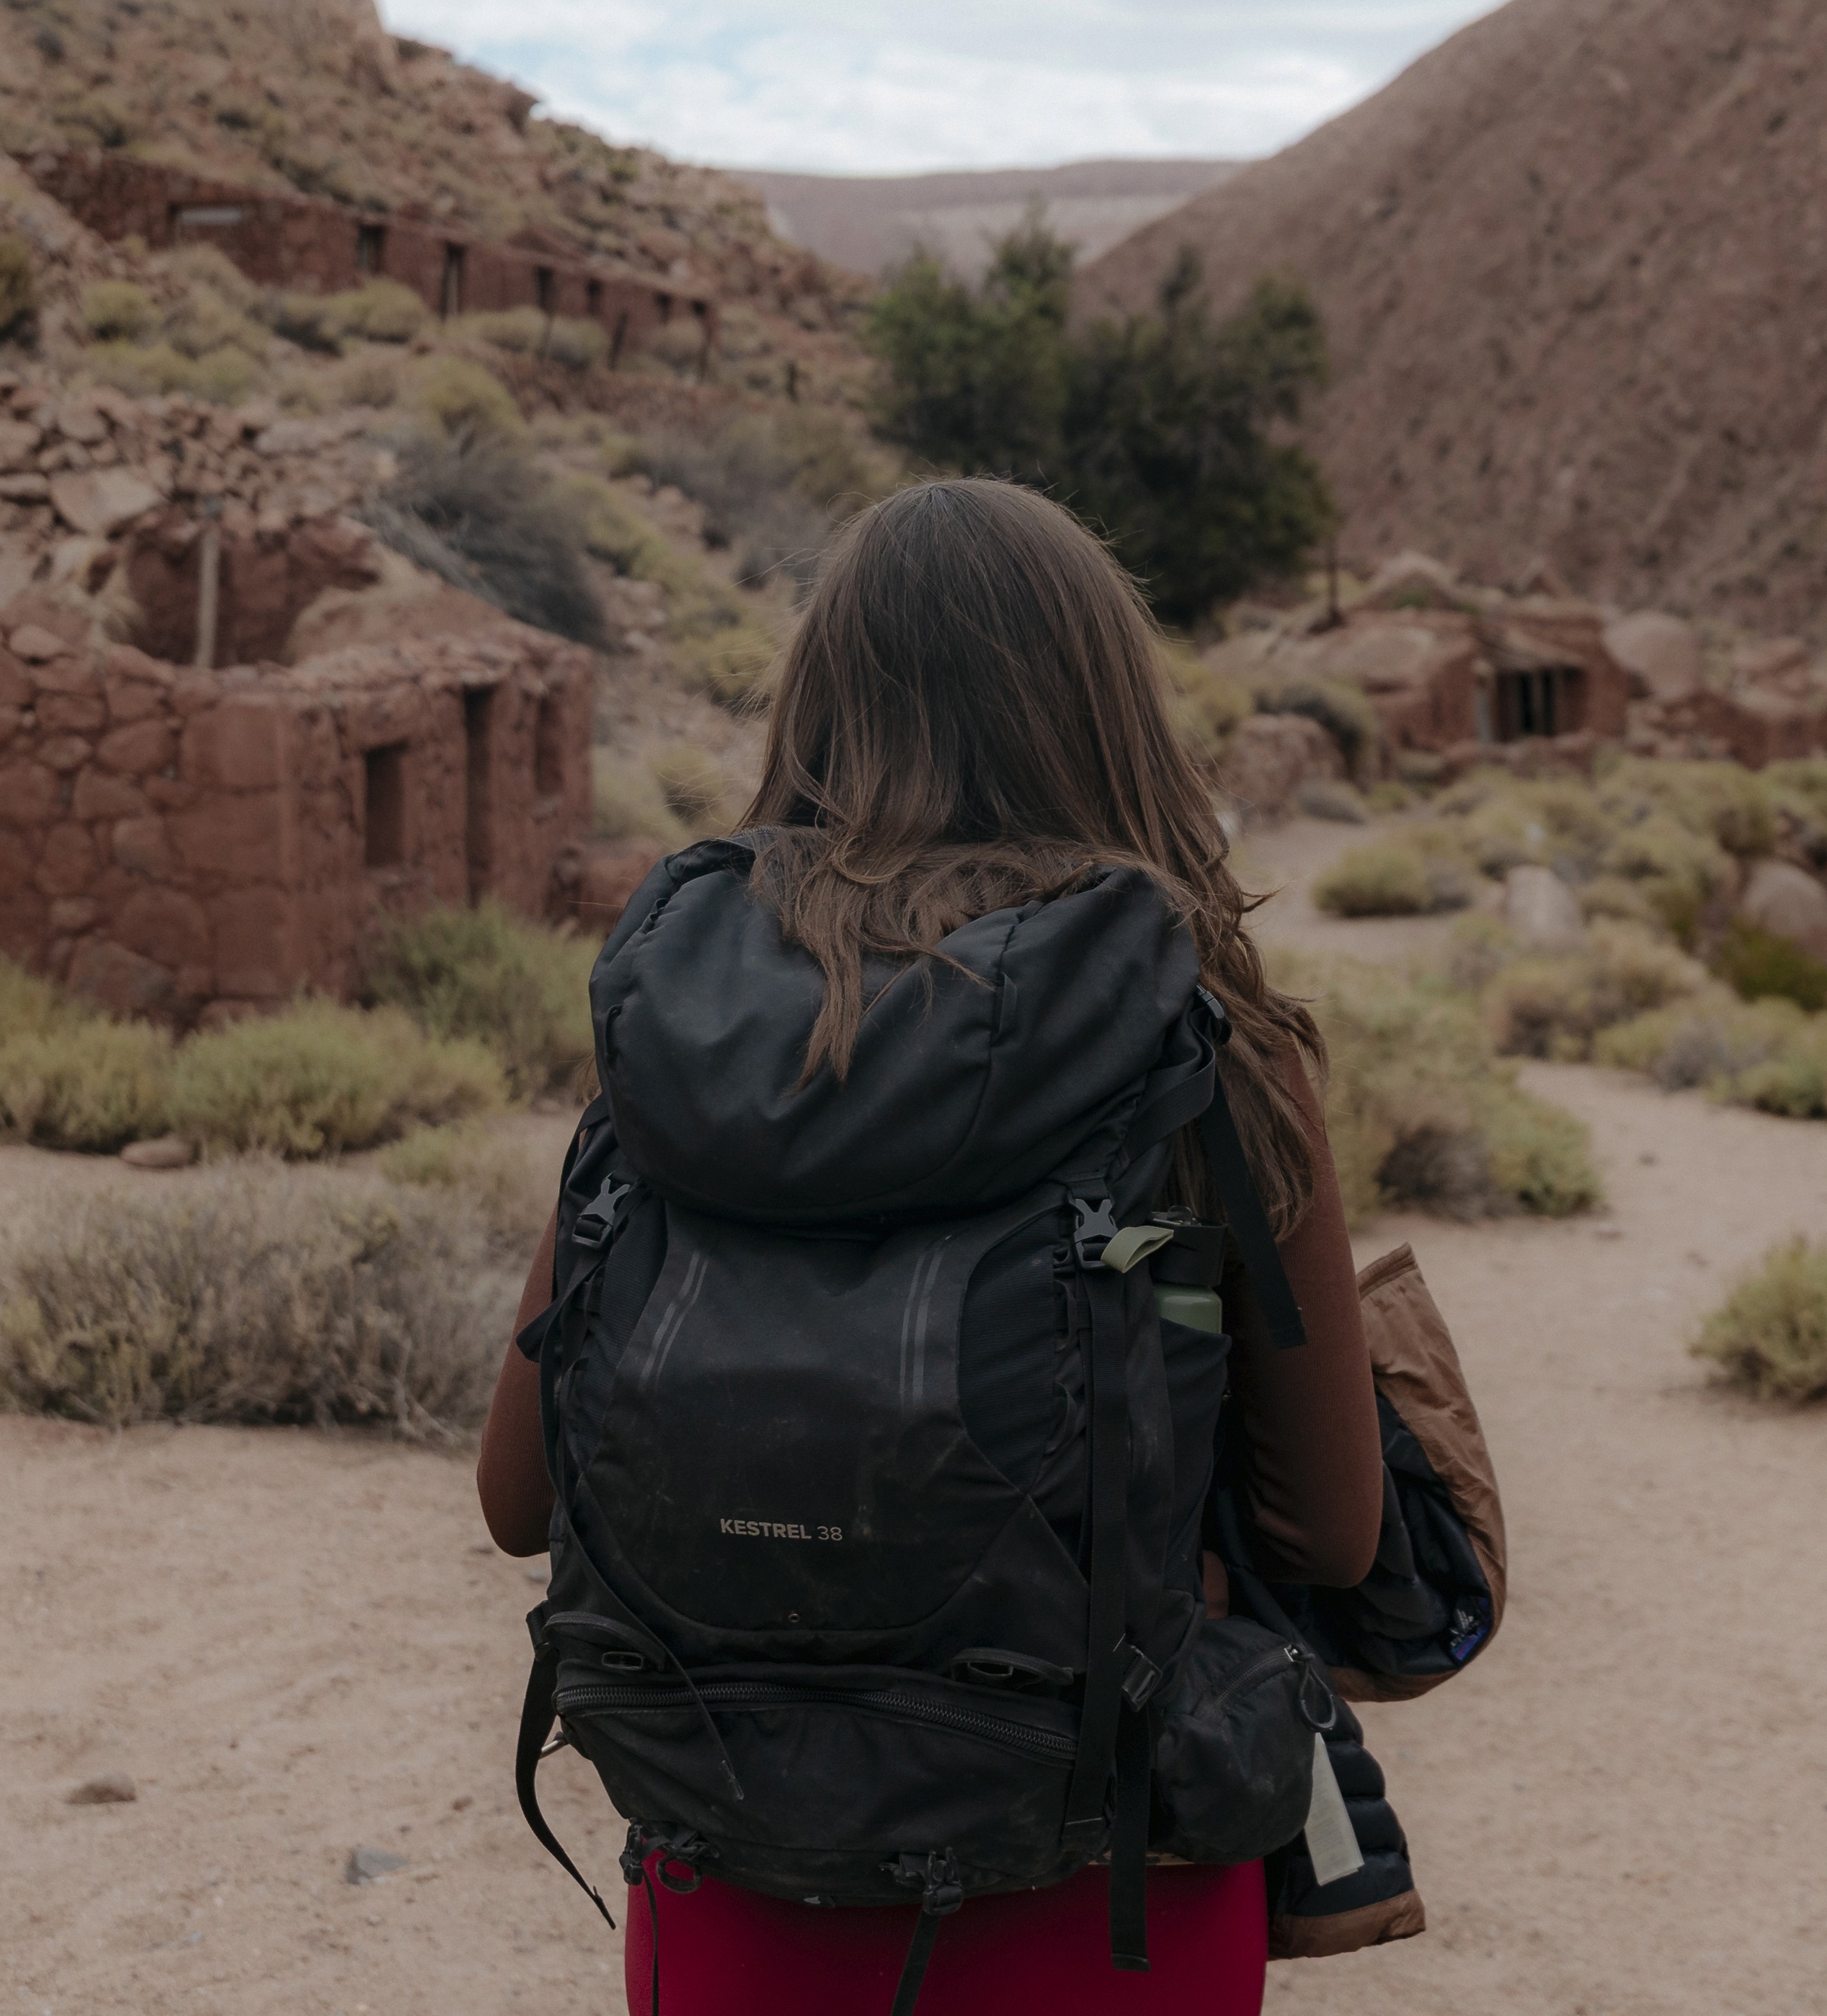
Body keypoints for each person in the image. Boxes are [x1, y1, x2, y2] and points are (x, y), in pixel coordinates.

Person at [474, 477, 1383, 2015]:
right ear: (1106, 713)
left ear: (819, 704)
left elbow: (518, 1498)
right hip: (1103, 1891)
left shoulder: (682, 1026)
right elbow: (1331, 1540)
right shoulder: (1201, 1045)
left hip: (733, 1878)